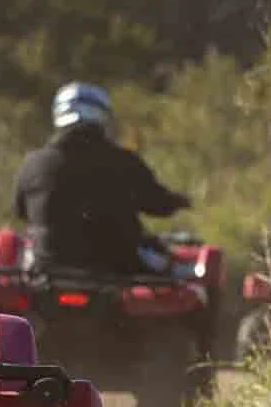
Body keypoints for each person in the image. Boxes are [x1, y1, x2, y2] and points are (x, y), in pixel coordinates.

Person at [11, 82, 191, 276]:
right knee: (187, 275)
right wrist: (179, 201)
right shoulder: (124, 162)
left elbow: (20, 211)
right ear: (102, 116)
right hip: (117, 269)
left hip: (48, 266)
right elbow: (158, 205)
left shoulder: (32, 163)